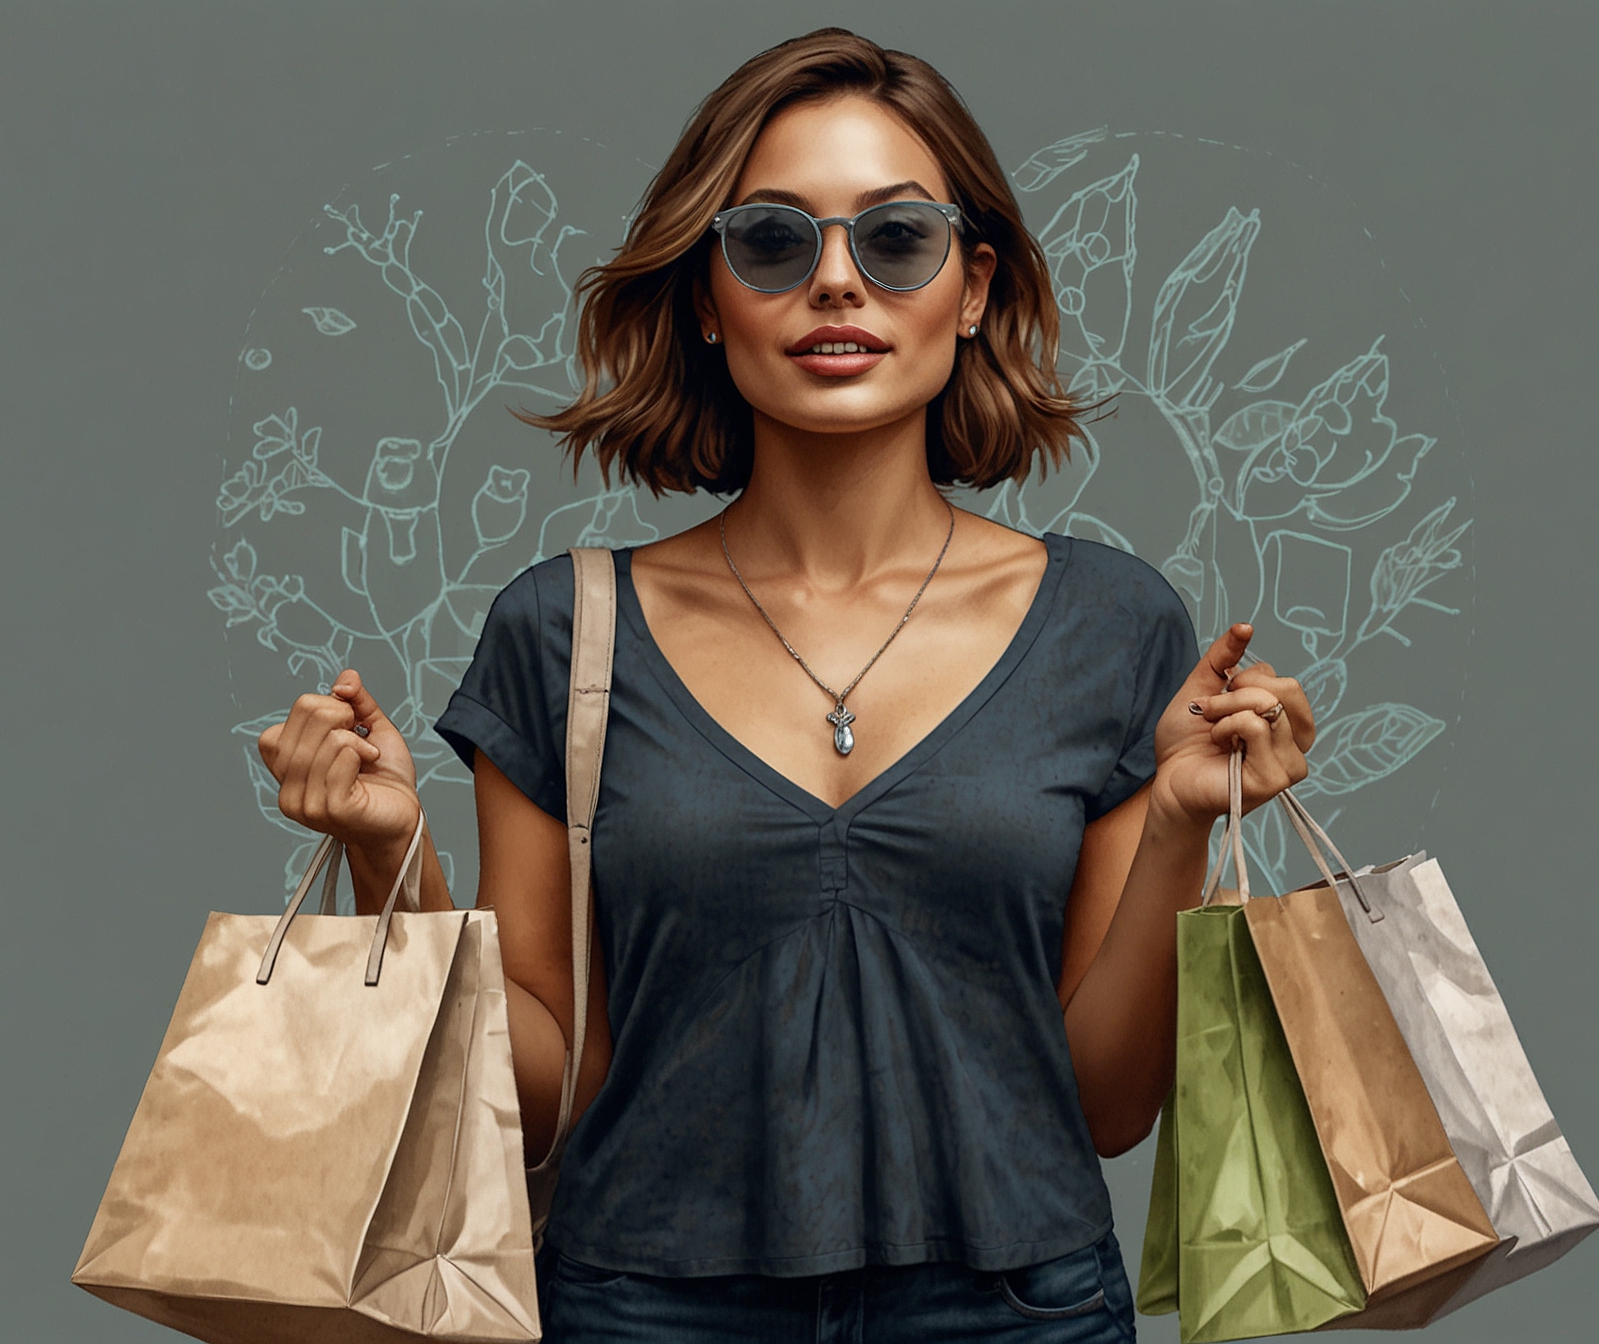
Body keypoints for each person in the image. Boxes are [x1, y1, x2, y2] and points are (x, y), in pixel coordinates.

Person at [256, 28, 1313, 1343]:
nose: (835, 284)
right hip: (640, 1308)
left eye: (896, 240)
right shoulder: (562, 634)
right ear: (708, 295)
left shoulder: (1111, 623)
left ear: (972, 285)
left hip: (1017, 1312)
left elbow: (1103, 1109)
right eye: (770, 241)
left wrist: (1178, 822)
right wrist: (389, 859)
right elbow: (537, 1092)